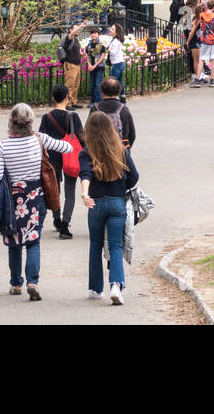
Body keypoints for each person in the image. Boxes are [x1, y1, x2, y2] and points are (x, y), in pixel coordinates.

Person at [0, 103, 70, 300]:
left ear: (10, 121)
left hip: (13, 200)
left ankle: (15, 283)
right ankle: (33, 281)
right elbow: (67, 147)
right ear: (30, 121)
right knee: (33, 241)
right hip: (36, 198)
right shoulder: (39, 139)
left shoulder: (3, 145)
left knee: (15, 242)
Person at [79, 111, 139, 305]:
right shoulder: (120, 149)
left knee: (95, 245)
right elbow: (134, 176)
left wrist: (85, 193)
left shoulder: (86, 152)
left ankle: (96, 289)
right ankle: (116, 285)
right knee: (115, 245)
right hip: (117, 201)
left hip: (95, 203)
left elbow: (85, 174)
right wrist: (122, 185)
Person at [40, 85, 83, 239]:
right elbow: (81, 137)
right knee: (70, 191)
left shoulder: (47, 117)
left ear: (53, 98)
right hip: (70, 156)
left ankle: (56, 218)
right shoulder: (73, 116)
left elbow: (41, 139)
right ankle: (65, 224)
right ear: (67, 97)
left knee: (54, 189)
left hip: (53, 157)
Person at [89, 76, 136, 148]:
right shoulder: (123, 109)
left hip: (99, 150)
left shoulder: (95, 108)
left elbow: (89, 131)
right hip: (119, 149)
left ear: (102, 90)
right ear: (118, 91)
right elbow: (132, 134)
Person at [191, 0, 214, 87]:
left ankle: (197, 79)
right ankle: (212, 80)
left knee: (201, 60)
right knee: (213, 60)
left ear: (207, 6)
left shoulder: (202, 16)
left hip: (204, 40)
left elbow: (202, 27)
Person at [59, 22, 84, 104]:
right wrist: (80, 26)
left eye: (78, 29)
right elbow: (72, 34)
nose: (78, 30)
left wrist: (81, 54)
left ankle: (73, 102)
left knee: (76, 85)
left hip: (77, 64)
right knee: (69, 85)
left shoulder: (75, 39)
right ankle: (67, 103)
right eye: (76, 29)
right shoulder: (69, 38)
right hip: (70, 64)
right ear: (70, 30)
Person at [83, 26, 107, 107]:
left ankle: (98, 102)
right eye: (92, 33)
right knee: (92, 84)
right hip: (91, 67)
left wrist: (95, 65)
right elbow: (87, 56)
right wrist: (89, 64)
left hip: (99, 67)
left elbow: (102, 56)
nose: (93, 35)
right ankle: (92, 101)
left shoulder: (101, 44)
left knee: (97, 84)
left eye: (95, 33)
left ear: (98, 34)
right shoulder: (89, 45)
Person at [106, 24, 128, 94]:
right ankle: (122, 96)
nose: (110, 30)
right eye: (111, 28)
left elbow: (113, 53)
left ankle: (114, 97)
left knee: (113, 82)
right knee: (119, 81)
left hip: (117, 63)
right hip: (119, 62)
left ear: (116, 32)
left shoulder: (115, 41)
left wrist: (107, 49)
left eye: (112, 29)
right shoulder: (114, 39)